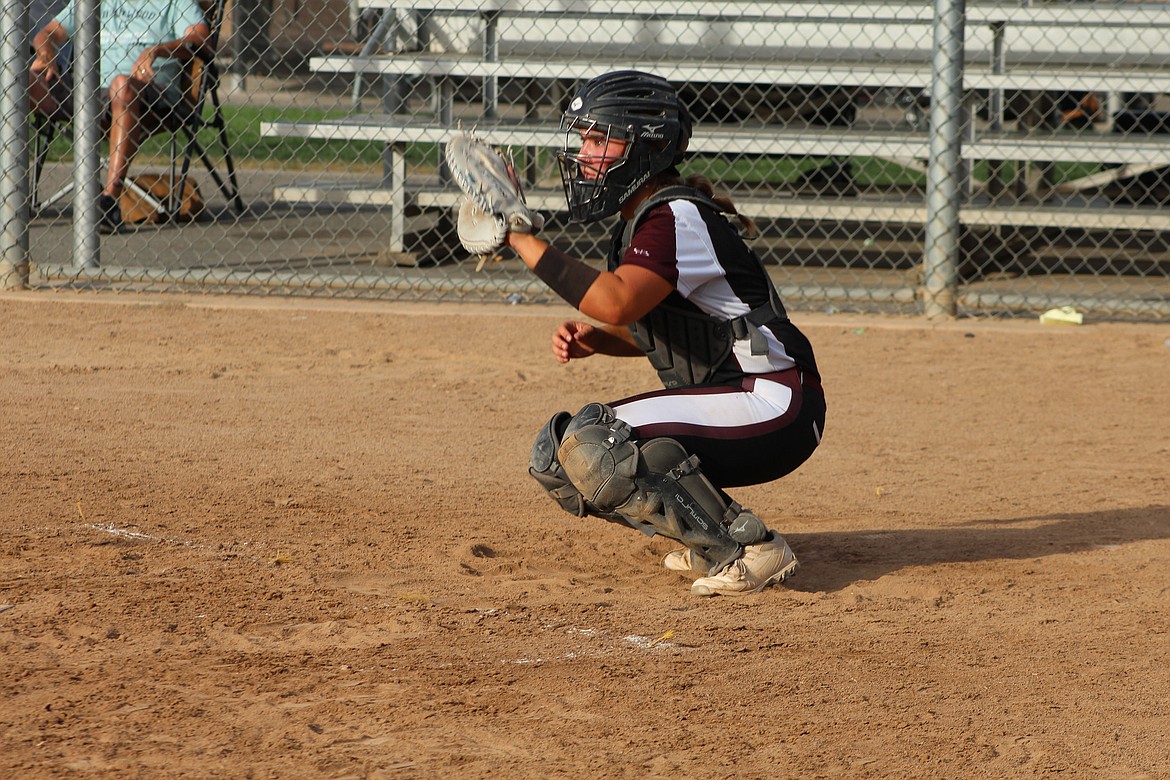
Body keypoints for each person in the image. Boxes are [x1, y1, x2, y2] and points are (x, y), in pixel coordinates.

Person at [515, 71, 827, 597]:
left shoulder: (675, 217)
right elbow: (674, 330)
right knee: (556, 460)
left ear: (645, 147)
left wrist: (519, 240)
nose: (586, 155)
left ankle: (747, 546)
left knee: (593, 442)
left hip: (775, 398)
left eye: (599, 138)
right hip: (743, 393)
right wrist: (601, 339)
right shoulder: (648, 222)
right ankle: (707, 538)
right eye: (585, 139)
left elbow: (615, 299)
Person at [29, 0, 210, 233]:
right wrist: (46, 52)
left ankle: (109, 202)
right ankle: (10, 196)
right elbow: (50, 32)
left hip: (149, 92)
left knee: (121, 84)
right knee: (17, 80)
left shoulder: (175, 2)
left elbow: (200, 38)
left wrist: (156, 50)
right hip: (88, 90)